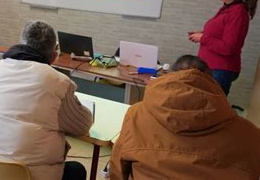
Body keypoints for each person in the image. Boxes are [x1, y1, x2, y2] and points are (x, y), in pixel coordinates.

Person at [0, 20, 93, 180]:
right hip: (25, 175)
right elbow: (82, 126)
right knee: (76, 170)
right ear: (54, 56)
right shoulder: (58, 82)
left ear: (20, 44)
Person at [110, 55, 260, 180]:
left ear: (169, 76)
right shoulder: (249, 133)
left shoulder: (136, 114)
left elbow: (117, 170)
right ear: (212, 83)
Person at [188, 0, 259, 96]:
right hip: (211, 68)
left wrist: (203, 38)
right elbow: (222, 33)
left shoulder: (238, 13)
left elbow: (229, 48)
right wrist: (203, 34)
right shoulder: (228, 9)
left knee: (210, 110)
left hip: (220, 70)